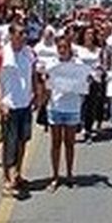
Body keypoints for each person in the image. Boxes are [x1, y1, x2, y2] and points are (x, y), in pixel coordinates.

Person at [0, 23, 39, 198]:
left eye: (25, 33)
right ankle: (7, 180)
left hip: (25, 105)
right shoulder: (1, 54)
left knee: (22, 141)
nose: (23, 36)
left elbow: (33, 75)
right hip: (9, 106)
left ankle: (17, 174)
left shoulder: (29, 53)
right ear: (11, 35)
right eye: (20, 33)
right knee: (9, 144)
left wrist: (35, 94)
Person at [41, 35, 84, 191]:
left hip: (72, 107)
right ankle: (55, 176)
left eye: (65, 47)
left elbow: (85, 82)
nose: (62, 50)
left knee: (70, 143)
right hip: (55, 107)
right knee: (55, 143)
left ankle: (70, 174)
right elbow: (46, 85)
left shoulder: (78, 64)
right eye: (60, 47)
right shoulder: (51, 64)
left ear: (70, 48)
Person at [75, 27, 106, 141]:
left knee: (91, 105)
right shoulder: (77, 49)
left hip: (94, 80)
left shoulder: (98, 50)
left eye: (92, 34)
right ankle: (80, 126)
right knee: (81, 104)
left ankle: (88, 128)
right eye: (87, 33)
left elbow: (103, 66)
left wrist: (99, 73)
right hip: (81, 80)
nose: (89, 36)